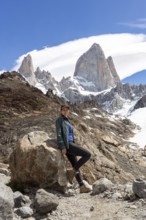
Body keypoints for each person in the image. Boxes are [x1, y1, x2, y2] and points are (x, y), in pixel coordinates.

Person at [55, 104, 92, 193]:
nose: (65, 111)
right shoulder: (59, 120)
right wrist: (63, 146)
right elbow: (59, 133)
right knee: (87, 154)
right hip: (68, 144)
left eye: (67, 110)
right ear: (60, 111)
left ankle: (82, 186)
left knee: (75, 164)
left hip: (71, 143)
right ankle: (72, 172)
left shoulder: (66, 120)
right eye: (63, 110)